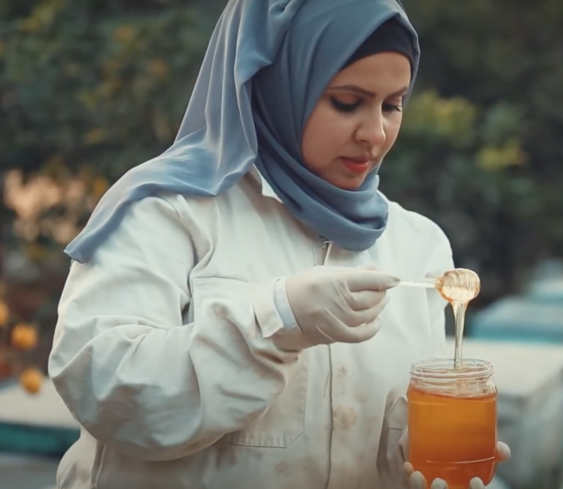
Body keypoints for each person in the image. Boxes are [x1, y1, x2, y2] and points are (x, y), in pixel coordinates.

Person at [47, 0, 510, 488]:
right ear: (279, 86)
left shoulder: (417, 244)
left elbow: (376, 415)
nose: (375, 133)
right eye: (347, 102)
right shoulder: (167, 212)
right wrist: (275, 320)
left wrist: (410, 451)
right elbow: (103, 387)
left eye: (392, 105)